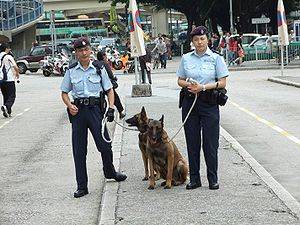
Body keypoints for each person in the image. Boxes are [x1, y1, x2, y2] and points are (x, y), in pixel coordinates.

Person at [60, 37, 127, 198]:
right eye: (80, 50)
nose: (84, 53)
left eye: (86, 50)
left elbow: (109, 90)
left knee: (104, 145)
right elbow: (64, 92)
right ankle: (82, 186)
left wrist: (111, 108)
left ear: (90, 50)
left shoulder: (98, 68)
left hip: (96, 111)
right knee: (79, 150)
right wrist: (69, 105)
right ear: (75, 53)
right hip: (78, 113)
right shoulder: (71, 70)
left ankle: (110, 172)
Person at [176, 26, 229, 190]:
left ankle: (213, 178)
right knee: (192, 142)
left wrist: (203, 87)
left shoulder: (216, 58)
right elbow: (180, 80)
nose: (199, 42)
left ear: (208, 40)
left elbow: (222, 82)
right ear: (192, 41)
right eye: (196, 39)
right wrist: (190, 85)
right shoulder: (186, 58)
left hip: (209, 103)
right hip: (190, 103)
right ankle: (194, 179)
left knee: (210, 143)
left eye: (202, 39)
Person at [97, 51, 126, 119]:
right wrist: (114, 78)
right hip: (107, 85)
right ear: (103, 57)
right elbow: (110, 74)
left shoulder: (96, 64)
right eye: (105, 56)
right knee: (115, 97)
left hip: (98, 86)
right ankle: (120, 111)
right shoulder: (104, 63)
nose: (106, 58)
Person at [0, 43, 20, 118]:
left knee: (5, 96)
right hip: (9, 79)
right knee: (12, 95)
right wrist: (17, 74)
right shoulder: (8, 56)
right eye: (8, 48)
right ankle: (6, 107)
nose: (9, 49)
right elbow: (15, 67)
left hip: (1, 80)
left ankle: (8, 112)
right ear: (6, 49)